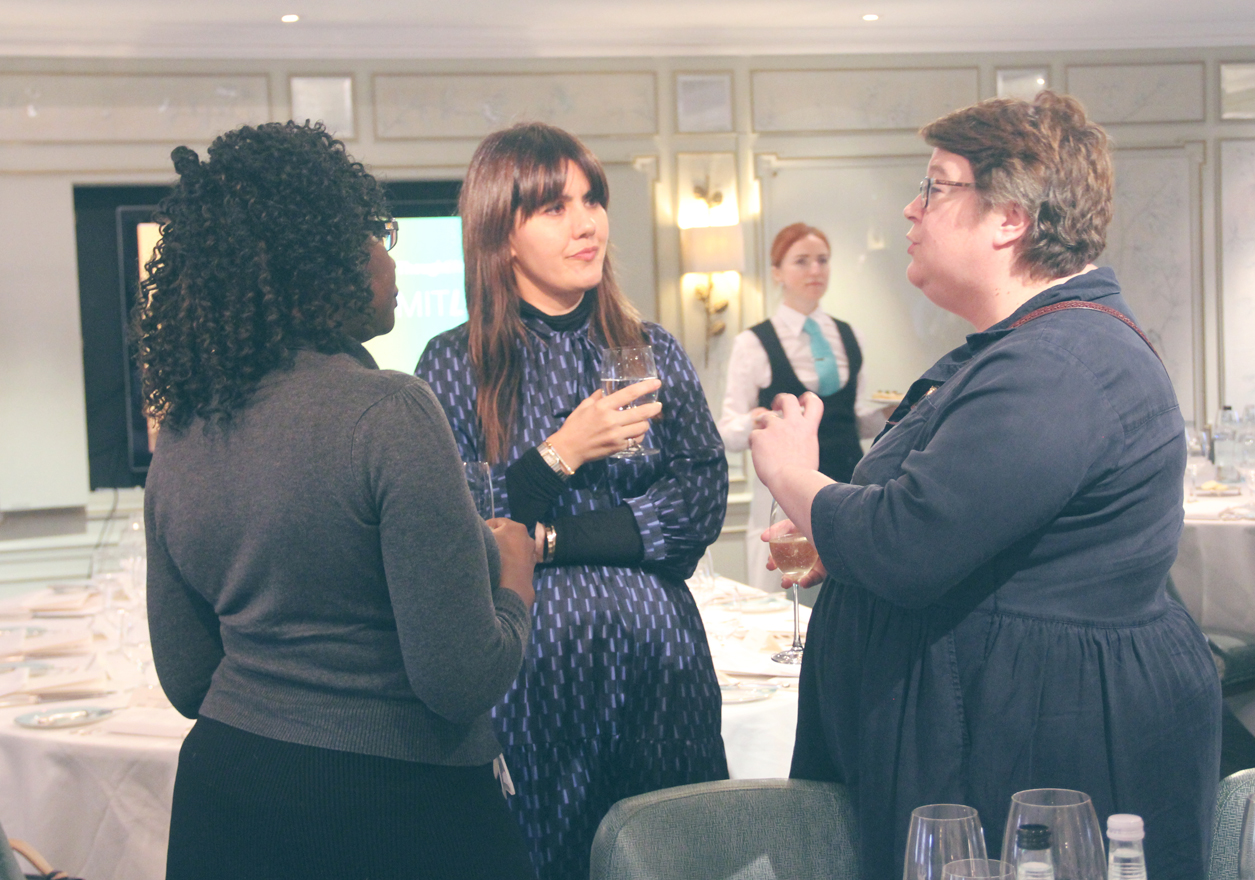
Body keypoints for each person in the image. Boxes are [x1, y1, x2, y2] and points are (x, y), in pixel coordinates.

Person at [750, 92, 1221, 880]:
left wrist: (793, 472)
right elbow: (970, 524)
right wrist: (841, 550)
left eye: (935, 186)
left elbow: (908, 542)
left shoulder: (1060, 362)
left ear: (1009, 218)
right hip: (1004, 718)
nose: (911, 207)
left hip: (1029, 743)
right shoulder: (1034, 346)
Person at [135, 122, 537, 880]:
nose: (390, 258)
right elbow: (460, 678)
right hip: (394, 813)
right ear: (320, 262)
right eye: (372, 238)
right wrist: (515, 578)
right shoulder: (388, 412)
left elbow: (188, 679)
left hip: (224, 803)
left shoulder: (183, 433)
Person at [415, 121, 729, 880]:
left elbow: (698, 499)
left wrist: (546, 540)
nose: (586, 223)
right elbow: (454, 516)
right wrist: (562, 454)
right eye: (555, 208)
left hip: (658, 669)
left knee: (676, 855)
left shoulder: (645, 349)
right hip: (531, 680)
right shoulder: (455, 363)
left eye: (592, 200)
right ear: (503, 231)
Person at [717, 222, 890, 590]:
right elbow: (727, 432)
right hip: (783, 503)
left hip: (847, 493)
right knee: (781, 608)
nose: (815, 270)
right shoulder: (753, 343)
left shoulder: (848, 334)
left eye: (822, 260)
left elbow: (851, 419)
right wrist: (758, 420)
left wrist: (889, 416)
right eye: (802, 261)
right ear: (777, 272)